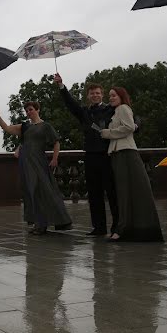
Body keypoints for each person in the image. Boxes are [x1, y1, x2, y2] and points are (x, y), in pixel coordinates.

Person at [54, 73, 118, 236]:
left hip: (108, 154)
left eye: (97, 93)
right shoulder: (84, 112)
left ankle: (117, 226)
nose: (95, 95)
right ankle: (99, 228)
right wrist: (61, 85)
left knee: (112, 193)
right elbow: (70, 103)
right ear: (88, 96)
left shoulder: (111, 109)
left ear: (101, 94)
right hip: (90, 155)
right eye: (92, 93)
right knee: (94, 193)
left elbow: (130, 117)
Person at [0, 101, 70, 234]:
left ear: (38, 110)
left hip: (38, 161)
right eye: (27, 110)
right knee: (30, 191)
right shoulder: (25, 127)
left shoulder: (45, 126)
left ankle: (49, 221)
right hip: (25, 162)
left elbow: (56, 142)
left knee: (42, 190)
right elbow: (7, 128)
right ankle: (38, 223)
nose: (29, 112)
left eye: (31, 109)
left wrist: (55, 158)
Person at [99, 87, 163, 242]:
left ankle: (124, 229)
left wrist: (106, 133)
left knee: (126, 192)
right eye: (110, 96)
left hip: (125, 153)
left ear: (121, 96)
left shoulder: (123, 108)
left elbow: (129, 128)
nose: (111, 98)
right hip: (120, 153)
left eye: (114, 95)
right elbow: (130, 126)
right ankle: (128, 228)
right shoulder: (118, 111)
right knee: (126, 192)